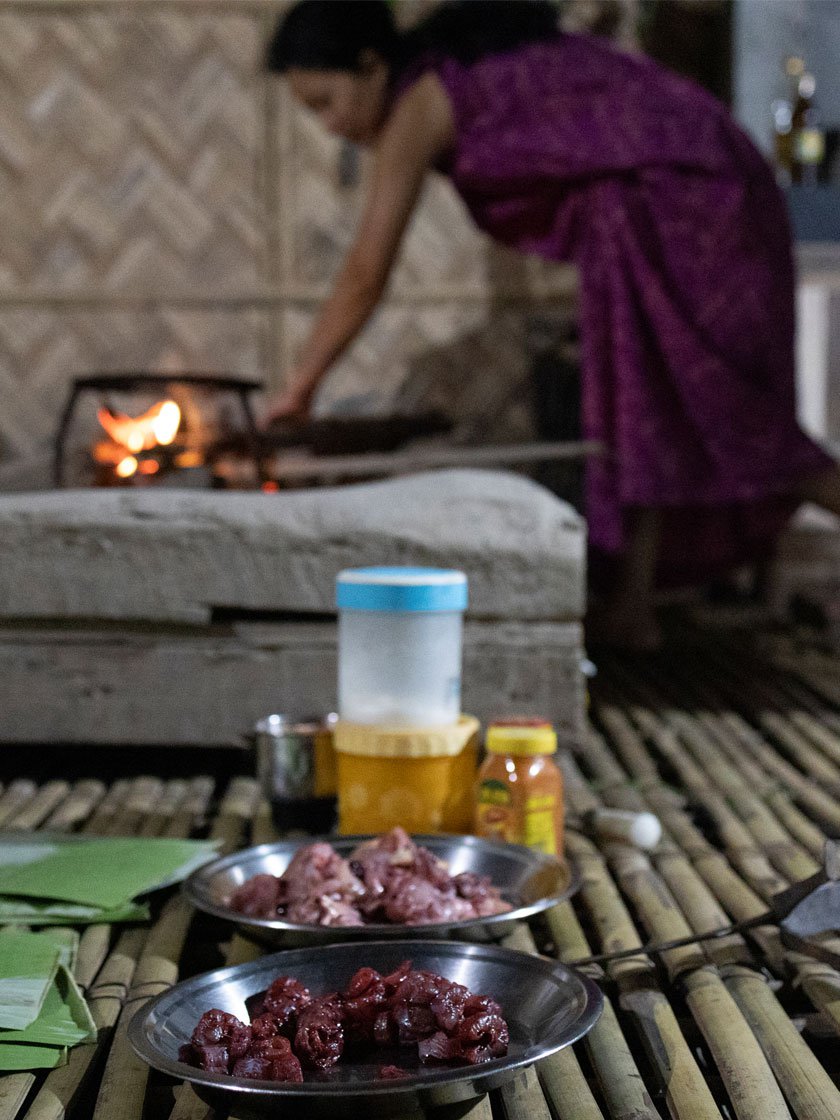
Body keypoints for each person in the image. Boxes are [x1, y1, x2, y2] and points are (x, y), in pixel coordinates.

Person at [264, 0, 840, 650]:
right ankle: (633, 607)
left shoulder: (420, 101)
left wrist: (297, 389)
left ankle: (635, 603)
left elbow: (368, 271)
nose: (331, 125)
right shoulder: (457, 74)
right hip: (673, 201)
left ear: (371, 67)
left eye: (326, 101)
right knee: (641, 404)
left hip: (692, 203)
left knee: (730, 417)